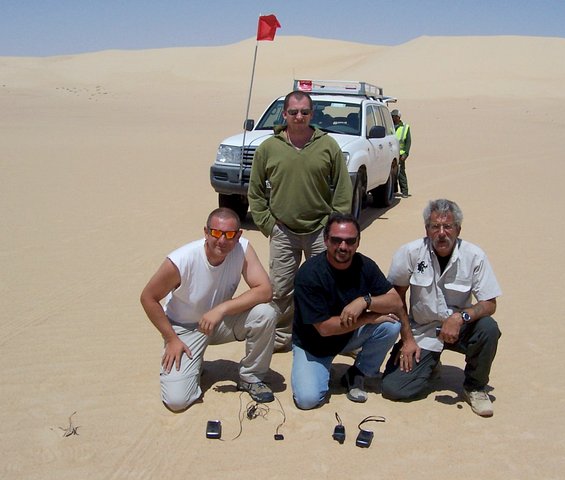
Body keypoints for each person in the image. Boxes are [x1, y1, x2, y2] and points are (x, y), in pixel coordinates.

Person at [140, 207, 277, 411]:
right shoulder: (182, 260)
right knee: (177, 401)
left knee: (266, 313)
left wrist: (221, 309)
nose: (222, 240)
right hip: (183, 329)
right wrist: (171, 339)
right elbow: (148, 298)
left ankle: (251, 377)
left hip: (219, 323)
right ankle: (193, 365)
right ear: (206, 232)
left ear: (238, 236)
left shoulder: (242, 249)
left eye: (229, 234)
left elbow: (265, 290)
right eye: (215, 233)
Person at [248, 90, 353, 352]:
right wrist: (267, 223)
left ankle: (338, 333)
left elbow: (342, 187)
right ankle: (283, 336)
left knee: (330, 284)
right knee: (281, 288)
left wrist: (335, 225)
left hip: (321, 231)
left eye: (304, 112)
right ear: (284, 114)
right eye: (293, 112)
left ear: (311, 114)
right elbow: (255, 190)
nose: (299, 117)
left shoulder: (327, 145)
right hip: (283, 230)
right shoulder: (269, 147)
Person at [381, 199, 502, 417]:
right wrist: (407, 339)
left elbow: (489, 303)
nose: (442, 233)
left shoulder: (474, 256)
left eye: (448, 226)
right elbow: (396, 299)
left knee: (488, 328)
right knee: (393, 388)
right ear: (426, 229)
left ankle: (474, 386)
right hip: (422, 330)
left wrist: (461, 317)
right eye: (435, 226)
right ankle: (430, 364)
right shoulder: (410, 252)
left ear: (458, 229)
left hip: (460, 329)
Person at [291, 213, 403, 409]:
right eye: (337, 240)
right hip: (314, 345)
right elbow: (325, 329)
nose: (343, 247)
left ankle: (358, 373)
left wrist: (364, 301)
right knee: (307, 400)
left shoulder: (364, 266)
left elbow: (395, 301)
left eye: (350, 241)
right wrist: (367, 318)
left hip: (348, 335)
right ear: (326, 240)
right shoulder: (309, 274)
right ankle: (321, 370)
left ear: (358, 243)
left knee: (391, 324)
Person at [391, 109, 412, 198]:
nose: (393, 118)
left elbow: (408, 142)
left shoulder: (405, 127)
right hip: (390, 153)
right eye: (392, 116)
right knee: (391, 173)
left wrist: (405, 154)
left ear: (399, 117)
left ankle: (405, 191)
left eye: (395, 116)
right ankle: (393, 190)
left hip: (400, 154)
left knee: (401, 173)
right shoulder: (389, 125)